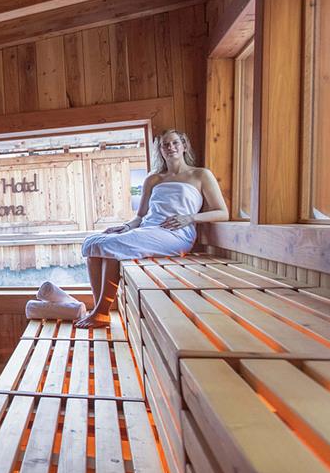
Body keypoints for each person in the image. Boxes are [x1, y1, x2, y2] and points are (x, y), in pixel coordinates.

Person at [75, 129, 228, 329]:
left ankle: (101, 313)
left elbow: (222, 212)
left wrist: (190, 218)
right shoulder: (154, 179)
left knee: (112, 247)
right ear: (161, 151)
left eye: (175, 143)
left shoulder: (200, 175)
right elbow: (140, 216)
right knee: (92, 242)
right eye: (165, 145)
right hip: (148, 229)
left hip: (175, 234)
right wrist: (125, 227)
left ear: (184, 146)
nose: (170, 147)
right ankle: (99, 309)